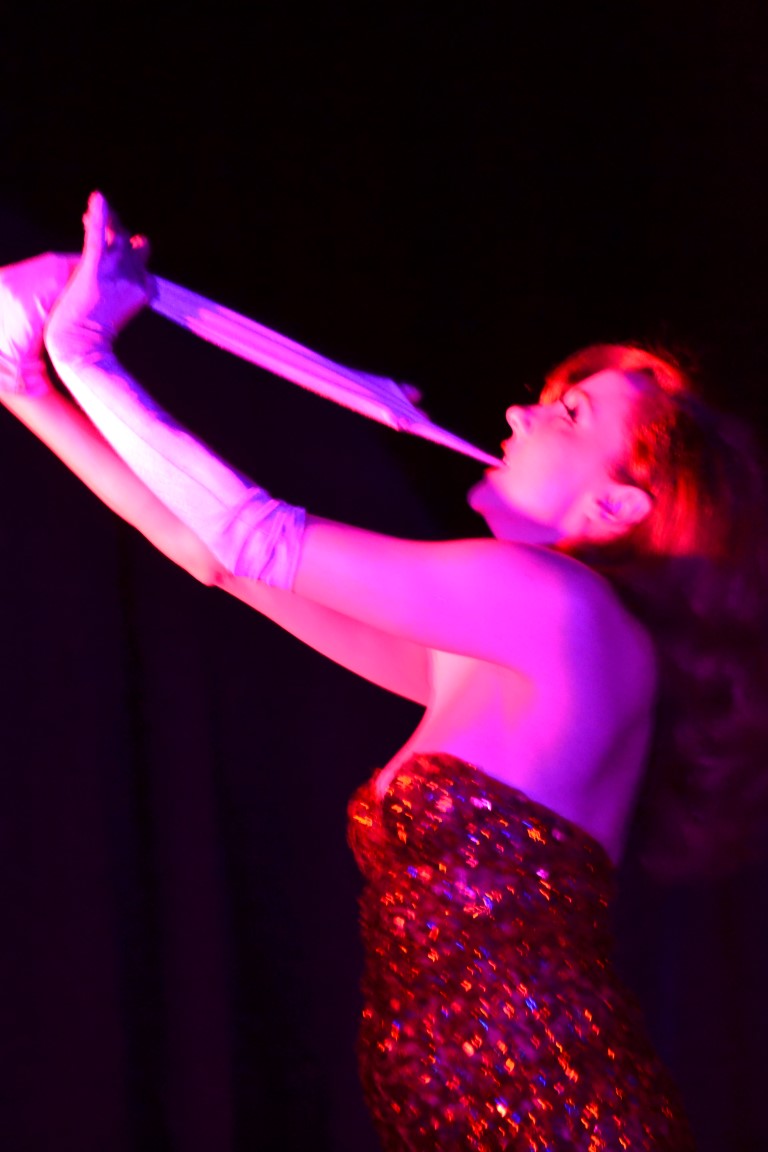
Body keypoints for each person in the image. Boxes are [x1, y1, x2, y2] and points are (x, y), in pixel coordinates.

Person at [4, 195, 767, 1150]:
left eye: (569, 414)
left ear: (617, 505)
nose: (520, 411)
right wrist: (29, 387)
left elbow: (252, 534)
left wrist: (87, 355)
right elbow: (219, 558)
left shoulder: (561, 605)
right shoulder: (508, 642)